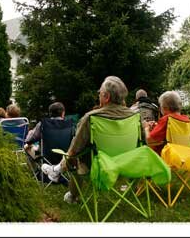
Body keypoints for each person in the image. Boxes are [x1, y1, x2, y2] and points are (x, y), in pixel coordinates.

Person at [41, 76, 135, 204]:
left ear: (106, 97)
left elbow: (75, 149)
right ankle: (56, 171)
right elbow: (143, 144)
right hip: (128, 165)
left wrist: (68, 158)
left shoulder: (91, 117)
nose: (98, 96)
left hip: (98, 167)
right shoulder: (135, 116)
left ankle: (69, 190)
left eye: (100, 93)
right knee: (77, 154)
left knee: (75, 156)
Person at [143, 91, 189, 155]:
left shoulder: (166, 119)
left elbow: (149, 140)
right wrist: (157, 125)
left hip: (164, 156)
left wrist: (146, 128)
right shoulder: (186, 119)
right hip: (181, 154)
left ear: (165, 108)